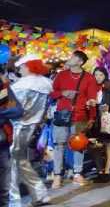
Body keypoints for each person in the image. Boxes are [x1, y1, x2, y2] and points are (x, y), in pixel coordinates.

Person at [49, 50, 98, 188]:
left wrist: (92, 117)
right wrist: (63, 93)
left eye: (73, 57)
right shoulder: (61, 75)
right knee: (59, 145)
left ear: (80, 62)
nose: (69, 58)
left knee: (78, 146)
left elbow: (92, 99)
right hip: (62, 115)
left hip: (80, 116)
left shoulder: (89, 78)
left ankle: (77, 173)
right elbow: (52, 93)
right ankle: (57, 175)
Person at [9, 55, 52, 206]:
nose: (19, 70)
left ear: (28, 66)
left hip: (16, 127)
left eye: (20, 67)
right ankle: (40, 194)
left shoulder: (21, 85)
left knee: (12, 165)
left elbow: (12, 108)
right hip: (31, 127)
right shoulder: (46, 83)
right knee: (20, 162)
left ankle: (13, 202)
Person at [89, 67, 110, 183]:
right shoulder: (91, 87)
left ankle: (106, 171)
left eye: (100, 75)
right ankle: (99, 171)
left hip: (106, 118)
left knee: (107, 145)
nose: (98, 77)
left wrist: (107, 106)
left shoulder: (109, 87)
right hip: (94, 120)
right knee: (94, 146)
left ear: (105, 76)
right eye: (96, 75)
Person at [0, 65, 24, 207]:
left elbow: (16, 110)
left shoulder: (3, 91)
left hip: (1, 141)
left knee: (4, 186)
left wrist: (1, 113)